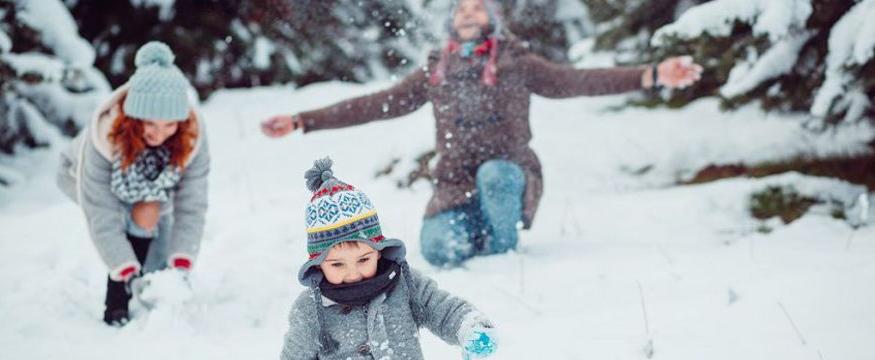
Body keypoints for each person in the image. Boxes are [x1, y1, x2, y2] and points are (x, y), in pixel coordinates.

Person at [262, 0, 702, 267]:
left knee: (496, 175)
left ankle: (503, 257)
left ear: (492, 20)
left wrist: (651, 74)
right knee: (437, 251)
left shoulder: (517, 62)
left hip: (508, 175)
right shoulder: (437, 69)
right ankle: (480, 234)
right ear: (452, 21)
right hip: (454, 183)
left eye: (478, 7)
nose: (469, 12)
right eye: (461, 8)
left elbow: (578, 81)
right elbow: (375, 104)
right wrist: (304, 120)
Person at [280, 158, 497, 360]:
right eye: (337, 264)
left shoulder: (404, 284)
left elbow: (443, 309)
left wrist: (470, 328)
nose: (353, 273)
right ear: (318, 264)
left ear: (379, 251)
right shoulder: (310, 310)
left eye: (363, 260)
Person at [57, 41, 210, 326]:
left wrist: (182, 259)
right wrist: (123, 266)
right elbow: (101, 212)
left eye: (169, 125)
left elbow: (192, 203)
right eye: (150, 124)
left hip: (147, 185)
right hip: (76, 175)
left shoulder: (192, 136)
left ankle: (148, 274)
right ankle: (116, 301)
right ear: (133, 118)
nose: (159, 134)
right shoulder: (105, 134)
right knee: (141, 217)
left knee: (158, 263)